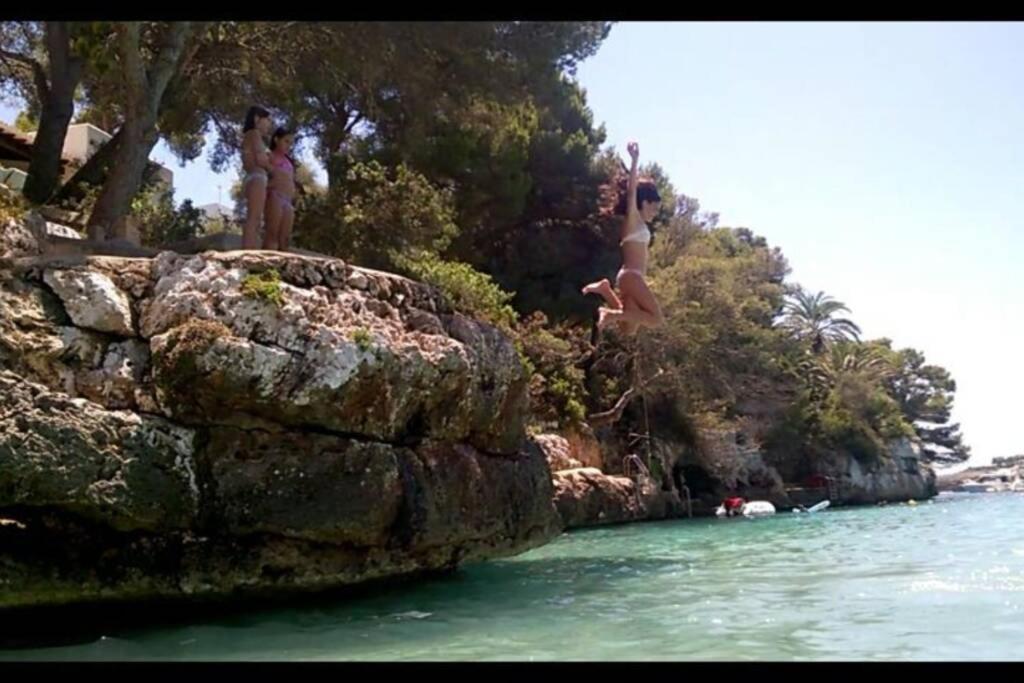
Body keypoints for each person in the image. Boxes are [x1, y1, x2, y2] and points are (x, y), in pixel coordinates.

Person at [582, 141, 665, 335]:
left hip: (631, 277)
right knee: (656, 319)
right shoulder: (633, 219)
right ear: (644, 203)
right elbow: (631, 193)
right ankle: (609, 314)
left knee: (628, 329)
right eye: (654, 208)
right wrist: (635, 160)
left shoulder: (640, 224)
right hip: (631, 276)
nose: (655, 213)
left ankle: (605, 290)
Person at [241, 106, 273, 250]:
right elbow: (261, 160)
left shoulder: (248, 136)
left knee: (255, 217)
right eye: (267, 120)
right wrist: (271, 166)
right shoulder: (254, 134)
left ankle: (250, 249)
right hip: (257, 177)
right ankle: (248, 252)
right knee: (254, 217)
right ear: (257, 119)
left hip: (253, 177)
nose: (269, 124)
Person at [263, 127, 297, 252]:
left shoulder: (289, 161)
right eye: (286, 141)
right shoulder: (269, 155)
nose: (289, 146)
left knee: (285, 238)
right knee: (272, 234)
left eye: (291, 143)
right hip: (275, 196)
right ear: (276, 139)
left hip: (288, 200)